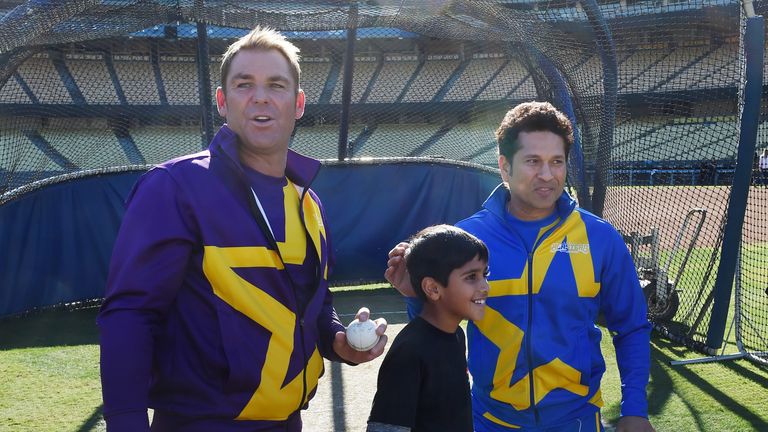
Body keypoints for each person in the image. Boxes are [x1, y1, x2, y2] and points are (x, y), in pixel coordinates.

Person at [97, 26, 387, 431]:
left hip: (288, 422)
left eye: (277, 85)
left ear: (298, 103)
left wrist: (338, 340)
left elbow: (313, 302)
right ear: (222, 101)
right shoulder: (175, 187)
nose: (261, 97)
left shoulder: (308, 202)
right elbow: (130, 312)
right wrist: (125, 422)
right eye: (244, 84)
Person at [385, 102, 654, 432]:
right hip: (488, 421)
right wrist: (417, 297)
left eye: (557, 162)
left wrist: (635, 408)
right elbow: (440, 330)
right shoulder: (468, 238)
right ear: (504, 166)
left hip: (577, 421)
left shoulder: (600, 238)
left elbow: (631, 326)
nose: (547, 174)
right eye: (532, 161)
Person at [367, 225, 489, 432]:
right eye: (471, 277)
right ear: (433, 288)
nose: (485, 286)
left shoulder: (456, 335)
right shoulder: (409, 351)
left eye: (485, 274)